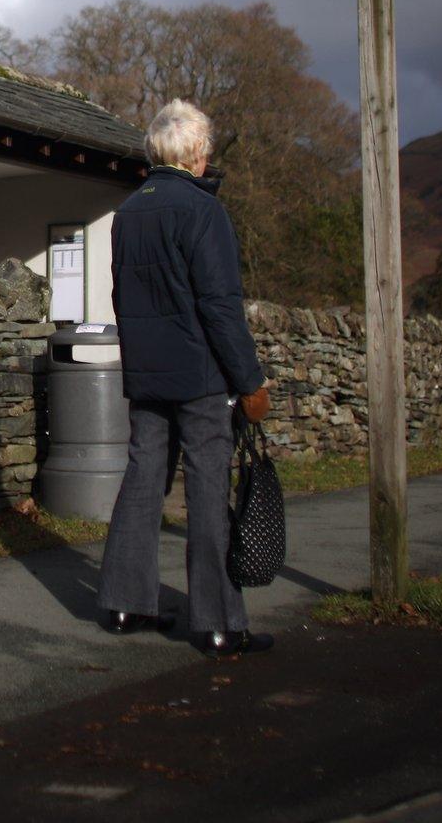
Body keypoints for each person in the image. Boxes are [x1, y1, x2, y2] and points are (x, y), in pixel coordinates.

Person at [96, 99, 273, 657]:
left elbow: (125, 298)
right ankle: (219, 622)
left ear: (156, 151)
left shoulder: (128, 212)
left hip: (147, 372)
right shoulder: (202, 211)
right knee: (206, 486)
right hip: (199, 375)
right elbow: (220, 305)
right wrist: (250, 381)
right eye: (208, 150)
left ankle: (126, 604)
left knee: (143, 479)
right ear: (198, 153)